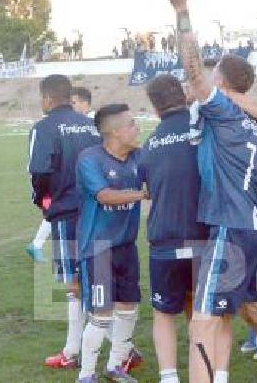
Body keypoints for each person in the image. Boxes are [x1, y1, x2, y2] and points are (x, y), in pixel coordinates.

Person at [166, 0, 257, 383]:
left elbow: (190, 69)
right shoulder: (255, 125)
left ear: (221, 84)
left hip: (230, 227)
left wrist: (182, 13)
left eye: (213, 75)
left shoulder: (222, 111)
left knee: (202, 322)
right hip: (253, 229)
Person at [28, 74, 103, 371]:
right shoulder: (90, 124)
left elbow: (39, 172)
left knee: (74, 284)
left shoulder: (44, 127)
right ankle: (108, 348)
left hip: (66, 212)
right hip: (97, 212)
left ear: (47, 98)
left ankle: (77, 352)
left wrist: (43, 201)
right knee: (94, 279)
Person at [139, 74, 209, 383]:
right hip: (204, 235)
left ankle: (169, 377)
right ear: (183, 95)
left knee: (163, 313)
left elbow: (150, 189)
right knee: (201, 314)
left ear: (154, 108)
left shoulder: (150, 142)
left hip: (164, 237)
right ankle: (203, 374)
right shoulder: (203, 128)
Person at [74, 103, 150, 383]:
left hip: (126, 247)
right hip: (99, 247)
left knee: (129, 306)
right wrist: (141, 194)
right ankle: (86, 374)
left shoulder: (139, 157)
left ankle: (115, 366)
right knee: (102, 313)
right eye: (131, 124)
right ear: (116, 131)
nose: (137, 128)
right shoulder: (90, 159)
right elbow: (104, 196)